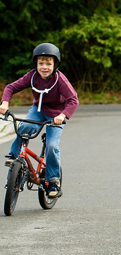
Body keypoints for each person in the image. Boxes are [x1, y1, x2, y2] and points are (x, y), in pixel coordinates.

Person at [0, 43, 79, 199]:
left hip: (56, 114)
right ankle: (15, 156)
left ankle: (53, 181)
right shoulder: (32, 76)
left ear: (55, 65)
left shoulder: (60, 80)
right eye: (41, 63)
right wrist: (4, 102)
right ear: (35, 64)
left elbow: (73, 100)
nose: (44, 67)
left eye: (48, 63)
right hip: (38, 110)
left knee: (51, 145)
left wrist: (62, 116)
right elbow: (10, 87)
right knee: (23, 128)